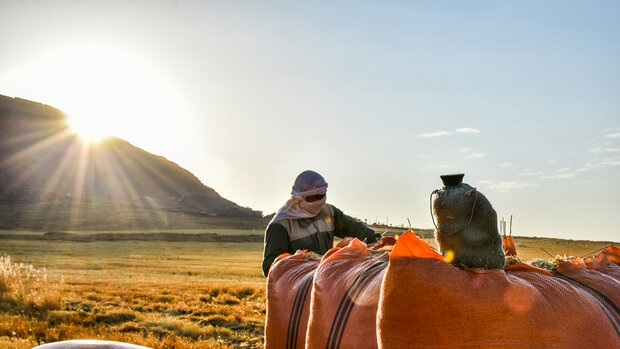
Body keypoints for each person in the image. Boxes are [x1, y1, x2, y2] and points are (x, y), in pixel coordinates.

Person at [262, 170, 379, 276]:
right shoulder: (281, 225)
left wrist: (380, 243)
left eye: (321, 196)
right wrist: (300, 261)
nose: (318, 201)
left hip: (324, 281)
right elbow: (270, 267)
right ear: (299, 198)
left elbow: (359, 230)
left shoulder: (328, 212)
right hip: (297, 289)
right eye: (313, 198)